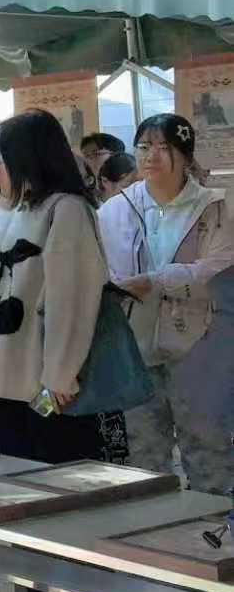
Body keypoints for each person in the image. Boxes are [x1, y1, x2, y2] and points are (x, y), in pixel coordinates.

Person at [0, 110, 111, 592]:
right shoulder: (17, 209)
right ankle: (43, 588)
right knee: (24, 490)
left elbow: (74, 298)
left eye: (1, 157)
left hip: (49, 384)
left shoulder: (66, 210)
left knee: (67, 488)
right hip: (9, 380)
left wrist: (61, 374)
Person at [98, 114, 234, 498]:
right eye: (144, 147)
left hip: (203, 339)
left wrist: (153, 281)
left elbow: (214, 265)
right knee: (144, 442)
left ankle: (213, 521)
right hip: (135, 339)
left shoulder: (216, 206)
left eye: (164, 148)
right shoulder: (115, 209)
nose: (151, 156)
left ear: (186, 156)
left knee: (206, 437)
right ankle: (154, 524)